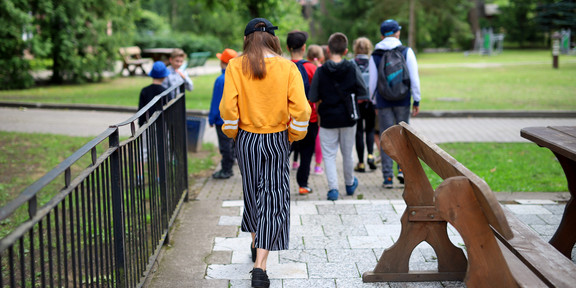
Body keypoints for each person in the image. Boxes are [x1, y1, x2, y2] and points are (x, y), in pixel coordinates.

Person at [219, 18, 311, 288]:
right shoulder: (288, 68)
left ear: (247, 39)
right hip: (276, 139)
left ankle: (255, 243)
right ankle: (260, 266)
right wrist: (293, 135)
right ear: (273, 38)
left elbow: (228, 108)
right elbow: (302, 110)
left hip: (246, 139)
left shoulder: (235, 65)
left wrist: (234, 133)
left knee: (252, 191)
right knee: (273, 197)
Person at [309, 32, 368, 201]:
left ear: (327, 50)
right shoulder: (352, 67)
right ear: (346, 50)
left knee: (329, 155)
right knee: (348, 153)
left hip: (327, 118)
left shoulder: (321, 71)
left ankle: (333, 189)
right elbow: (363, 90)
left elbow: (313, 97)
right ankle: (349, 184)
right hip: (348, 117)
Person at [369, 19, 421, 188]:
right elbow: (414, 78)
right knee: (403, 136)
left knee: (386, 138)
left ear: (382, 35)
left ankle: (387, 178)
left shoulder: (376, 55)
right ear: (397, 33)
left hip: (384, 102)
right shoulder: (406, 51)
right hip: (403, 100)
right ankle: (402, 171)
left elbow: (372, 83)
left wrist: (374, 101)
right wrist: (416, 99)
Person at [286, 30, 319, 195]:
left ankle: (279, 183)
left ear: (287, 47)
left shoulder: (283, 67)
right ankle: (303, 185)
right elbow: (318, 95)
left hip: (287, 119)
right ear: (304, 47)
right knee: (306, 153)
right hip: (309, 118)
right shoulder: (312, 68)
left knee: (284, 153)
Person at [208, 48, 238, 179]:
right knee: (232, 144)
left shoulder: (221, 80)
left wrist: (211, 118)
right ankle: (229, 166)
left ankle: (226, 170)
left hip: (222, 120)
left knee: (224, 146)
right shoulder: (237, 77)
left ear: (222, 62)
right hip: (235, 118)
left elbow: (216, 101)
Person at [351, 37, 377, 173]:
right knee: (371, 130)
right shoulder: (372, 62)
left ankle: (360, 162)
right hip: (371, 101)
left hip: (356, 102)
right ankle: (371, 156)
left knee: (359, 131)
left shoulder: (352, 63)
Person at [306, 44, 325, 175]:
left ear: (307, 56)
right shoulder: (320, 69)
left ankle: (296, 162)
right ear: (322, 57)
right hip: (317, 107)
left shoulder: (303, 67)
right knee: (318, 137)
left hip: (303, 106)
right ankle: (318, 165)